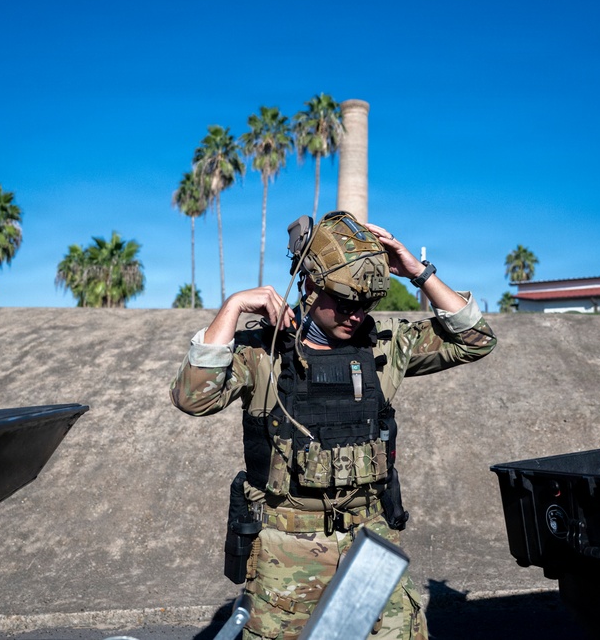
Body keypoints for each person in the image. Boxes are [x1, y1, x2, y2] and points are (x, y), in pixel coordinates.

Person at [170, 211, 496, 640]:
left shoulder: (385, 343)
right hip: (289, 551)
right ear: (308, 283)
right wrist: (232, 307)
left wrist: (417, 271)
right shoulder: (262, 352)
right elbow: (194, 398)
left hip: (369, 537)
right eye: (344, 302)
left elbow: (476, 340)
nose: (356, 315)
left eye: (366, 304)